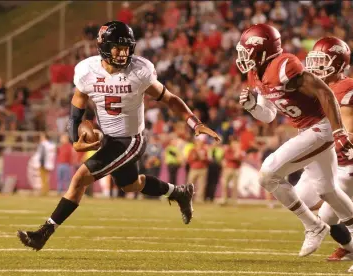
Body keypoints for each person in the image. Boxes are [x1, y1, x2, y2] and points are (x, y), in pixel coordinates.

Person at [17, 21, 220, 251]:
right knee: (131, 185)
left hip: (131, 140)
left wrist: (195, 122)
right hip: (109, 139)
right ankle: (180, 192)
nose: (123, 53)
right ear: (104, 46)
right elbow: (77, 105)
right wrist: (75, 136)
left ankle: (43, 234)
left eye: (126, 48)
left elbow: (169, 98)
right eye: (117, 48)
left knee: (79, 179)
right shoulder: (87, 71)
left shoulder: (140, 71)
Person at [236, 23, 353, 273]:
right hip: (307, 130)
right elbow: (269, 115)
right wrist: (252, 106)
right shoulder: (256, 73)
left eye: (248, 50)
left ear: (262, 50)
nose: (243, 55)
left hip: (320, 128)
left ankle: (313, 226)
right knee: (327, 190)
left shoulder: (284, 65)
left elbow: (325, 93)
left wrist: (338, 131)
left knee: (268, 174)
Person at [296, 36, 353, 261]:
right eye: (314, 61)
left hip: (349, 161)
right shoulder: (315, 87)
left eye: (322, 62)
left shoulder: (349, 87)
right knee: (300, 199)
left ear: (339, 64)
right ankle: (352, 233)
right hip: (327, 158)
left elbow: (351, 134)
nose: (316, 67)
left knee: (326, 217)